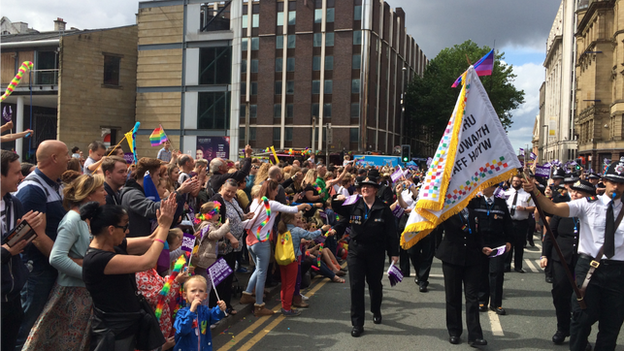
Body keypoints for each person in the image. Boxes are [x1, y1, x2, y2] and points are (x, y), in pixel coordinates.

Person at [523, 158, 624, 351]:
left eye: (621, 183)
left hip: (618, 272)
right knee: (581, 318)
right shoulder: (588, 203)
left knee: (612, 324)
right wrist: (534, 191)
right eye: (613, 181)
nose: (617, 186)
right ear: (605, 181)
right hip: (589, 269)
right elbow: (553, 208)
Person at [23, 174, 107, 351]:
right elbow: (57, 257)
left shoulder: (85, 219)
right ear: (89, 195)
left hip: (83, 293)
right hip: (71, 295)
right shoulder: (72, 220)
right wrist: (87, 274)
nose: (105, 193)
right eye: (101, 190)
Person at [82, 195, 178, 351]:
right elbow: (146, 261)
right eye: (125, 226)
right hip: (116, 330)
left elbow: (151, 241)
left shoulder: (114, 244)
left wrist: (163, 223)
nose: (128, 231)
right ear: (111, 230)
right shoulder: (96, 259)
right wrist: (165, 227)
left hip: (129, 323)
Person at [14, 140, 70, 350]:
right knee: (27, 328)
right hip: (38, 271)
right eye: (66, 154)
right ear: (54, 158)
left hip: (49, 268)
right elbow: (34, 235)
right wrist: (62, 263)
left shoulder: (54, 185)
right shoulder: (33, 190)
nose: (70, 159)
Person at [331, 175, 399, 338]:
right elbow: (337, 209)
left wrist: (394, 253)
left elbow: (391, 232)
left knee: (374, 284)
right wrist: (336, 198)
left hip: (375, 251)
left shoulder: (383, 207)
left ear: (375, 190)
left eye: (368, 186)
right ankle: (357, 323)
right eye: (362, 187)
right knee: (356, 286)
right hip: (356, 251)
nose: (364, 189)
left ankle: (376, 310)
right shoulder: (353, 204)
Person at [240, 180, 310, 316]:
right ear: (270, 190)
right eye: (276, 190)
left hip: (250, 240)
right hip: (262, 242)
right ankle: (259, 306)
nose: (277, 193)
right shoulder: (271, 203)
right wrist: (305, 205)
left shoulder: (256, 201)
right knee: (262, 274)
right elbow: (292, 209)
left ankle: (247, 293)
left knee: (258, 269)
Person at [0, 150, 45, 351]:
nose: (22, 177)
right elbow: (7, 248)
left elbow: (14, 247)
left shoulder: (14, 203)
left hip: (13, 296)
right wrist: (8, 247)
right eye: (17, 172)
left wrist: (26, 234)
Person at [540, 179, 594, 346]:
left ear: (589, 196)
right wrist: (544, 255)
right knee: (560, 294)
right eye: (574, 191)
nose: (576, 194)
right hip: (561, 259)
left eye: (580, 192)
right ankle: (562, 328)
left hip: (584, 261)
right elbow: (550, 234)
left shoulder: (594, 212)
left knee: (582, 300)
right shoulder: (563, 210)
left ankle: (581, 336)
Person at [436, 208, 488, 347]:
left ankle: (475, 335)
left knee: (472, 297)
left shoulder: (474, 212)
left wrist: (483, 247)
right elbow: (437, 229)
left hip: (472, 259)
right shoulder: (447, 211)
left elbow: (479, 234)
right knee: (453, 296)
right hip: (452, 258)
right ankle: (454, 331)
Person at [209, 179, 254, 315]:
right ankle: (216, 308)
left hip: (234, 246)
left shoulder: (233, 200)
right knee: (220, 278)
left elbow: (236, 217)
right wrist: (231, 237)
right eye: (227, 191)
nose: (229, 194)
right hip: (224, 246)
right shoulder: (217, 200)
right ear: (222, 187)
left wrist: (245, 216)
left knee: (228, 276)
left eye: (233, 192)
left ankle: (226, 305)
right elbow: (216, 222)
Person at [120, 157, 194, 237]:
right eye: (157, 175)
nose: (159, 178)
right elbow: (153, 209)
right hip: (139, 244)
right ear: (149, 176)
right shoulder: (132, 194)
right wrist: (180, 192)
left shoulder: (143, 192)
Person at [278, 212, 331, 316]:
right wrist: (322, 229)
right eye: (295, 218)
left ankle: (284, 306)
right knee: (290, 285)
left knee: (284, 285)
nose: (298, 220)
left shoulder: (281, 230)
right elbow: (311, 235)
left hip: (282, 259)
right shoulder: (296, 230)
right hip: (292, 260)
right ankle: (287, 308)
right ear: (290, 220)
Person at [473, 185, 513, 316]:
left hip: (497, 243)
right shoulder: (476, 202)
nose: (483, 188)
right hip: (481, 243)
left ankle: (496, 303)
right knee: (481, 272)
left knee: (496, 273)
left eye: (487, 186)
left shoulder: (501, 203)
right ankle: (482, 300)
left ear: (493, 188)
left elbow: (507, 223)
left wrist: (508, 240)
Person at [173, 275, 226, 351]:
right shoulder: (181, 313)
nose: (197, 294)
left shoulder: (205, 311)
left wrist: (220, 309)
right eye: (193, 291)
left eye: (201, 291)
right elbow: (182, 330)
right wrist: (191, 311)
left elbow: (214, 317)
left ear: (205, 296)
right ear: (185, 295)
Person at [190, 202, 231, 299]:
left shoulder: (208, 224)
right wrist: (226, 225)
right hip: (205, 261)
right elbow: (214, 235)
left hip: (206, 260)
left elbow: (209, 241)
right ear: (211, 214)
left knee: (206, 287)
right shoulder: (207, 225)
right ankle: (202, 308)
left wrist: (220, 245)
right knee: (205, 288)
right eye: (217, 213)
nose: (219, 215)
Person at [504, 174, 535, 273]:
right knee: (508, 244)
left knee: (519, 245)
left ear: (521, 182)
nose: (515, 182)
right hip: (509, 222)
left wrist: (524, 208)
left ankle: (518, 266)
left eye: (517, 181)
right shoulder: (506, 193)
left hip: (521, 223)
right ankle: (506, 265)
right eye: (514, 181)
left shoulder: (527, 195)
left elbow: (533, 207)